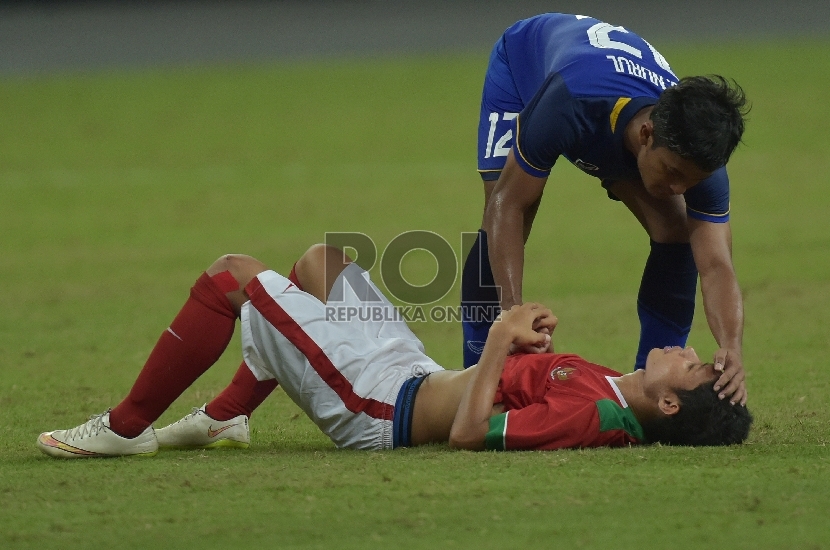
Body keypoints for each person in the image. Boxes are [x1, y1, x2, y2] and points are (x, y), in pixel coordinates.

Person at [36, 245, 752, 458]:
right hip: (412, 371)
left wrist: (503, 340)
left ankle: (125, 430)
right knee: (323, 261)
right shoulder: (612, 388)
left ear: (666, 403)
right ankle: (227, 416)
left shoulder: (591, 415)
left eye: (689, 365)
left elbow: (470, 434)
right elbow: (508, 388)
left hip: (380, 406)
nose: (687, 349)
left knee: (231, 278)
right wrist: (524, 350)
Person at [460, 13, 750, 407]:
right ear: (647, 135)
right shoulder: (569, 102)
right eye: (673, 173)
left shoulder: (700, 162)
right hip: (525, 73)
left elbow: (716, 264)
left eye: (691, 181)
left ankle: (649, 393)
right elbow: (508, 206)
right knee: (504, 213)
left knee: (677, 228)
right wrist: (515, 316)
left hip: (608, 126)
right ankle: (476, 377)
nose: (679, 189)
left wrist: (730, 346)